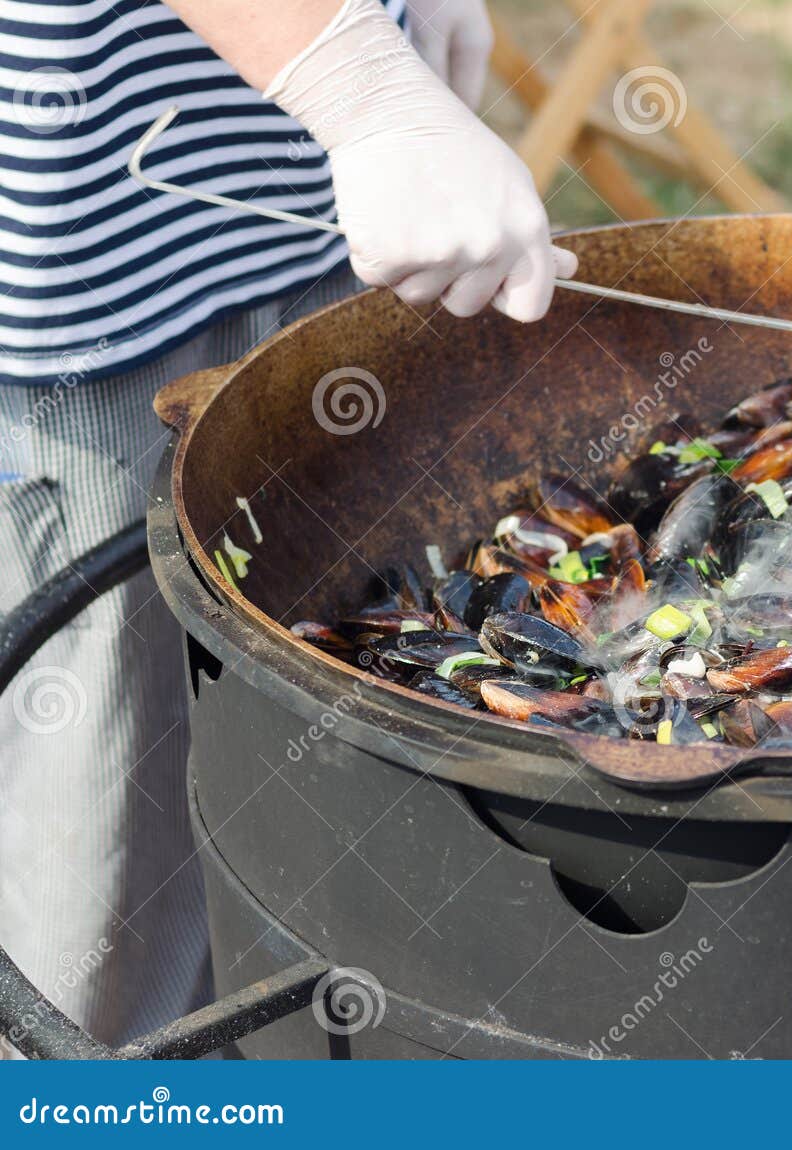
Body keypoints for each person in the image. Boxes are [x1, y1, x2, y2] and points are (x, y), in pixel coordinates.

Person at [0, 0, 574, 1053]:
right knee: (112, 841)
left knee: (313, 730)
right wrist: (364, 90)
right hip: (98, 274)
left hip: (317, 207)